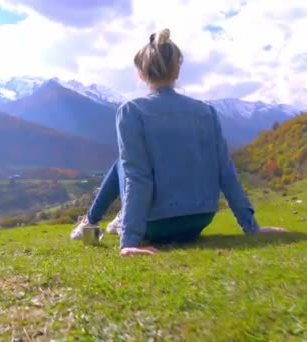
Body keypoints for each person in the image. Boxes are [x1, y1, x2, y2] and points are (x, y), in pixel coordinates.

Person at [71, 28, 286, 256]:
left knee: (123, 162)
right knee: (127, 162)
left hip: (155, 224)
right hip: (199, 220)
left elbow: (137, 175)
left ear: (140, 74)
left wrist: (130, 241)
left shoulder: (131, 111)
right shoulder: (206, 112)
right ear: (177, 69)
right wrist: (252, 227)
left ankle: (91, 222)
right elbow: (226, 172)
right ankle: (111, 220)